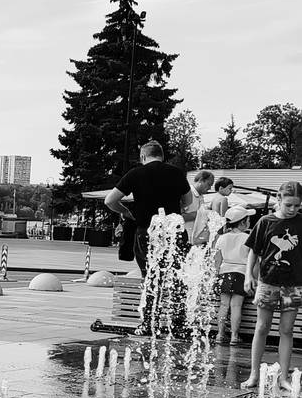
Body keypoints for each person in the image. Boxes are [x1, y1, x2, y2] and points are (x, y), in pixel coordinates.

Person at [104, 141, 197, 279]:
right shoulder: (177, 173)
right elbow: (189, 200)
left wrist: (126, 211)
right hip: (173, 231)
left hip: (147, 230)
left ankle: (150, 292)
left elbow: (109, 201)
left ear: (143, 157)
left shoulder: (135, 173)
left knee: (149, 275)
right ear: (162, 156)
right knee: (175, 274)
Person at [241, 180, 302, 390]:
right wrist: (248, 275)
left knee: (286, 329)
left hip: (294, 285)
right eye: (289, 205)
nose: (293, 209)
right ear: (279, 199)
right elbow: (254, 251)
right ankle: (254, 374)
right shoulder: (265, 222)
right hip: (267, 282)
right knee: (261, 327)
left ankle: (284, 377)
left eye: (297, 205)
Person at [213, 203, 254, 346]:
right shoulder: (247, 237)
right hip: (241, 273)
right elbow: (253, 260)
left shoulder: (222, 238)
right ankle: (234, 336)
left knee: (224, 305)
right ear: (242, 223)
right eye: (248, 220)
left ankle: (220, 334)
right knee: (236, 306)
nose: (249, 222)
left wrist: (216, 275)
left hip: (224, 273)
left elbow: (217, 260)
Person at [187, 169, 217, 247]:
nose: (210, 188)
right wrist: (202, 214)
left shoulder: (200, 196)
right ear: (201, 180)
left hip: (198, 241)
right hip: (187, 240)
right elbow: (178, 216)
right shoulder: (187, 194)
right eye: (209, 184)